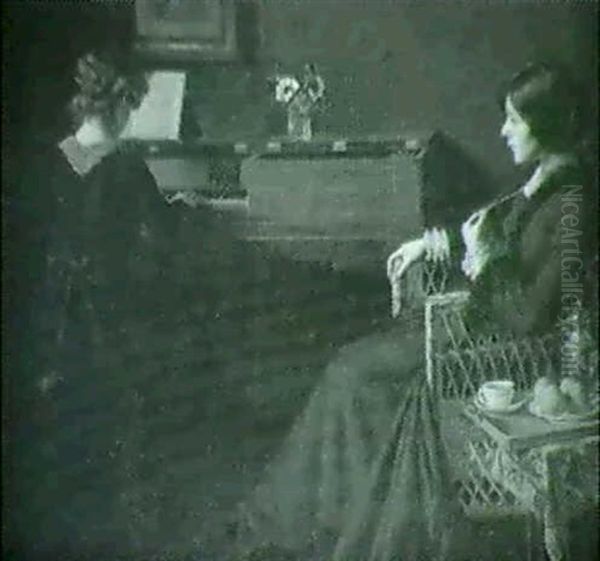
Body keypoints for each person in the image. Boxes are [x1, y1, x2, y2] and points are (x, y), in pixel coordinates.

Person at [232, 62, 598, 560]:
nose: (503, 131)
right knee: (348, 367)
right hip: (476, 333)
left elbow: (533, 316)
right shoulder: (542, 185)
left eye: (515, 120)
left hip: (500, 355)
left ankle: (329, 520)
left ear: (547, 123)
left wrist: (486, 260)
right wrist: (430, 244)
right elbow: (496, 235)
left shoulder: (573, 205)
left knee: (351, 373)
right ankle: (311, 517)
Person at [7, 50, 188, 556]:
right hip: (110, 325)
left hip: (51, 327)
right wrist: (183, 209)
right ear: (120, 107)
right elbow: (163, 236)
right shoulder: (126, 168)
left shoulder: (44, 164)